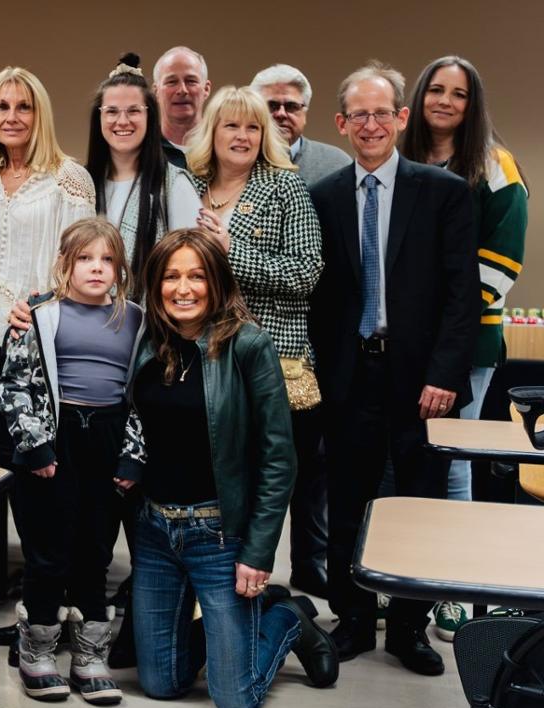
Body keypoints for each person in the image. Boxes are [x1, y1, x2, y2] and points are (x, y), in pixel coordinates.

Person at [308, 62, 479, 676]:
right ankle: (351, 618)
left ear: (402, 119)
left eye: (384, 113)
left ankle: (409, 627)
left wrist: (446, 375)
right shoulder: (322, 197)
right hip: (351, 374)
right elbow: (319, 295)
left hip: (422, 381)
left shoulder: (443, 193)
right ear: (342, 123)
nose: (372, 124)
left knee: (419, 502)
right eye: (360, 114)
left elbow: (464, 297)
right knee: (349, 501)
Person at [131, 228, 337, 708]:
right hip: (155, 530)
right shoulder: (147, 339)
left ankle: (286, 618)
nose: (183, 288)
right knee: (161, 684)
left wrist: (258, 552)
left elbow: (278, 457)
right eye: (171, 276)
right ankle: (232, 631)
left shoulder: (249, 345)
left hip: (219, 534)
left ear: (217, 282)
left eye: (197, 276)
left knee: (235, 700)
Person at [403, 55, 530, 642]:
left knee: (453, 458)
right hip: (401, 342)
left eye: (458, 93)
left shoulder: (494, 166)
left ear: (472, 104)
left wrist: (440, 316)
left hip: (466, 341)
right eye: (436, 90)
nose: (446, 102)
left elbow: (501, 264)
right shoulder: (403, 160)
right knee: (400, 463)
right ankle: (406, 583)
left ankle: (452, 594)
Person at [185, 85, 327, 596]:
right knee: (215, 489)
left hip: (274, 364)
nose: (241, 136)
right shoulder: (190, 185)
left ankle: (259, 598)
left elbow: (307, 273)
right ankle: (210, 598)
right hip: (200, 358)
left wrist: (230, 249)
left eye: (252, 127)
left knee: (263, 489)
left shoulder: (286, 188)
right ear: (213, 132)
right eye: (231, 125)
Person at [0, 218, 144, 704]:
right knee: (49, 552)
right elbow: (13, 385)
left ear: (119, 268)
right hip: (53, 445)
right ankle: (37, 648)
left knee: (95, 552)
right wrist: (35, 444)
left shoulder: (138, 320)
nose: (96, 268)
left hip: (109, 441)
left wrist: (132, 454)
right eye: (85, 259)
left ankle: (89, 656)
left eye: (106, 259)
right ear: (65, 264)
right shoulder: (38, 316)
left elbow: (144, 395)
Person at [0, 66, 93, 469]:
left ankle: (44, 535)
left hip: (45, 340)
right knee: (3, 451)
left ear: (40, 115)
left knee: (44, 453)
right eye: (1, 106)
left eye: (23, 107)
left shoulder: (68, 178)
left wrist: (42, 313)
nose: (11, 117)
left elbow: (81, 264)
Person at [85, 53, 199, 283]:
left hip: (151, 317)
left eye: (134, 110)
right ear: (99, 118)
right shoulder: (81, 184)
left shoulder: (175, 184)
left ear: (150, 115)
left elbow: (195, 266)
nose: (123, 121)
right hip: (87, 317)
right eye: (112, 111)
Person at [251, 64, 353, 186]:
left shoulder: (336, 164)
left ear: (305, 112)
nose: (281, 114)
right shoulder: (237, 164)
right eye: (271, 106)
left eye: (291, 106)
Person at [152, 46, 210, 165]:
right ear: (156, 91)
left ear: (206, 89)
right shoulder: (143, 151)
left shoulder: (223, 149)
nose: (182, 90)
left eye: (191, 81)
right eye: (171, 82)